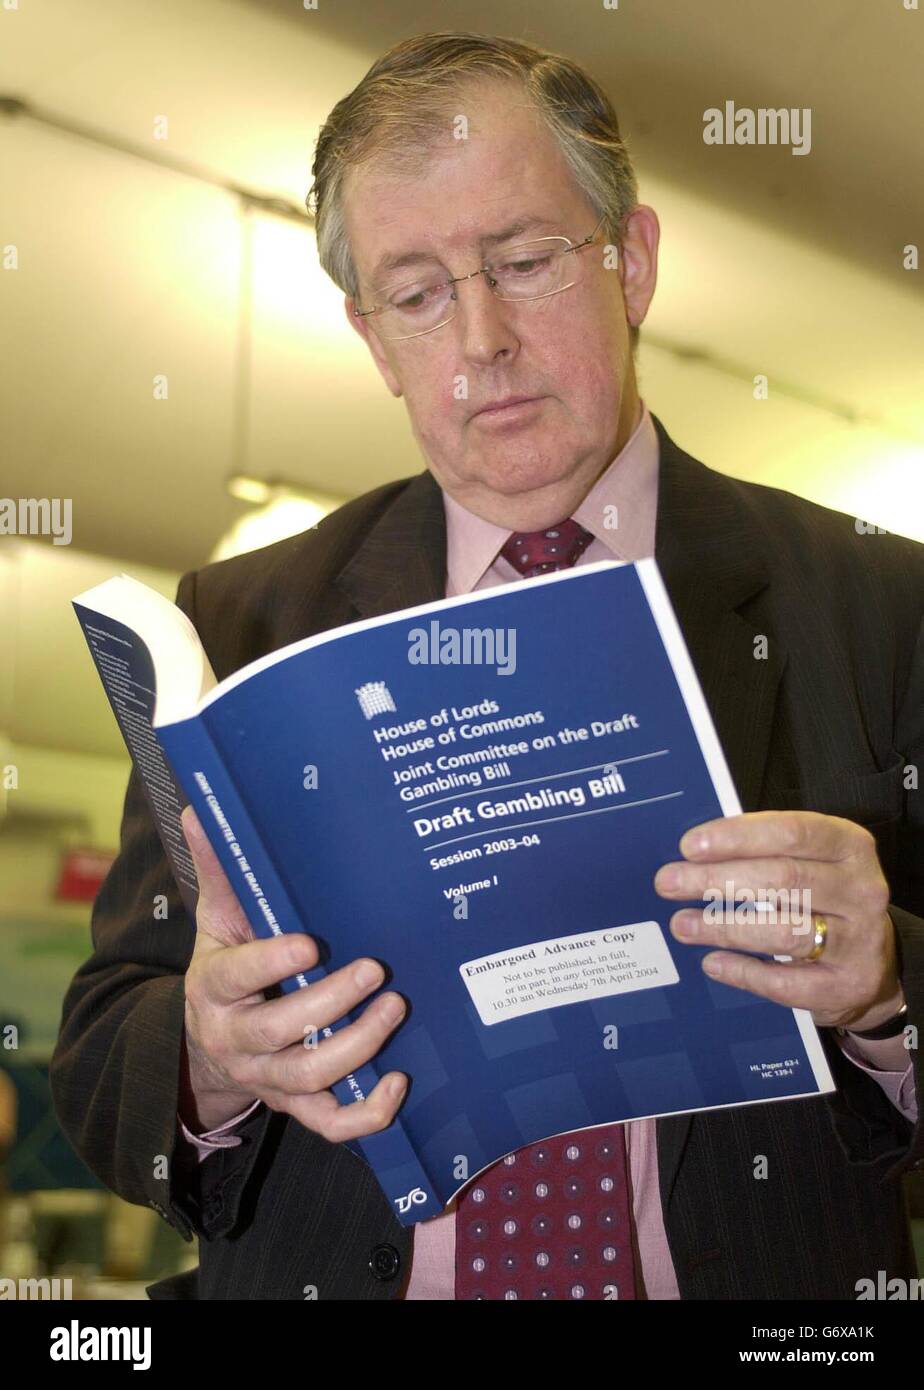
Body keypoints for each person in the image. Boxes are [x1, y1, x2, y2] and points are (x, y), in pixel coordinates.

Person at [50, 32, 923, 1301]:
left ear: (632, 263)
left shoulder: (877, 601)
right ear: (371, 336)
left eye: (523, 262)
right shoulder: (242, 620)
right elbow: (99, 1053)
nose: (482, 336)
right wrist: (210, 1052)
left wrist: (888, 986)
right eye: (416, 293)